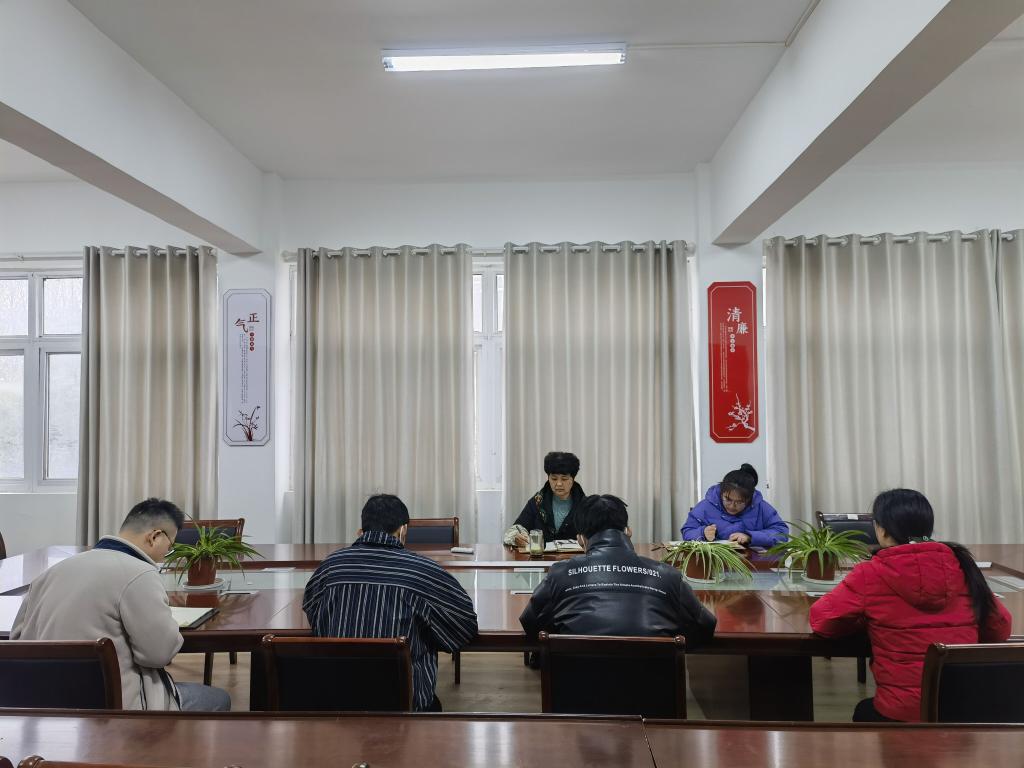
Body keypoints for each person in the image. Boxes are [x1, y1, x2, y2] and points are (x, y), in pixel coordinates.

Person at [809, 488, 1012, 722]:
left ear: (882, 530)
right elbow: (1000, 627)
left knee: (863, 711)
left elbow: (823, 621)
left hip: (900, 713)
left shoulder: (871, 572)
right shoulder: (962, 565)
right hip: (963, 710)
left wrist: (866, 622)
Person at [11, 498, 231, 711]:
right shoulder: (140, 573)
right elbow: (159, 654)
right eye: (170, 545)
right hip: (112, 706)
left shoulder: (51, 573)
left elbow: (18, 639)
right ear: (155, 536)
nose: (167, 554)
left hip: (40, 705)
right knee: (218, 698)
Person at [302, 494, 479, 712]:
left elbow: (314, 612)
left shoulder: (330, 566)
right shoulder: (423, 570)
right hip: (404, 704)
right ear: (403, 530)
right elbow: (464, 626)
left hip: (337, 701)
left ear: (361, 531)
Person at [519, 494, 717, 645]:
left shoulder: (560, 574)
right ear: (628, 532)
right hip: (654, 686)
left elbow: (530, 622)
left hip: (574, 686)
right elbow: (705, 625)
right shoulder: (668, 576)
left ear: (580, 539)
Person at [681, 463, 787, 547]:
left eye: (739, 502)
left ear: (749, 499)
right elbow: (687, 531)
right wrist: (703, 533)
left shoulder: (761, 507)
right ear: (721, 492)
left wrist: (750, 537)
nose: (732, 506)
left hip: (753, 563)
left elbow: (782, 533)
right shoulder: (705, 506)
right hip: (713, 562)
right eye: (728, 499)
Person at [503, 451, 585, 547]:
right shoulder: (538, 502)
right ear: (548, 478)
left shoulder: (585, 505)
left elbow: (596, 536)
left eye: (564, 479)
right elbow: (516, 528)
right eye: (554, 479)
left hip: (575, 556)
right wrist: (516, 536)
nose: (559, 484)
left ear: (573, 479)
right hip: (541, 555)